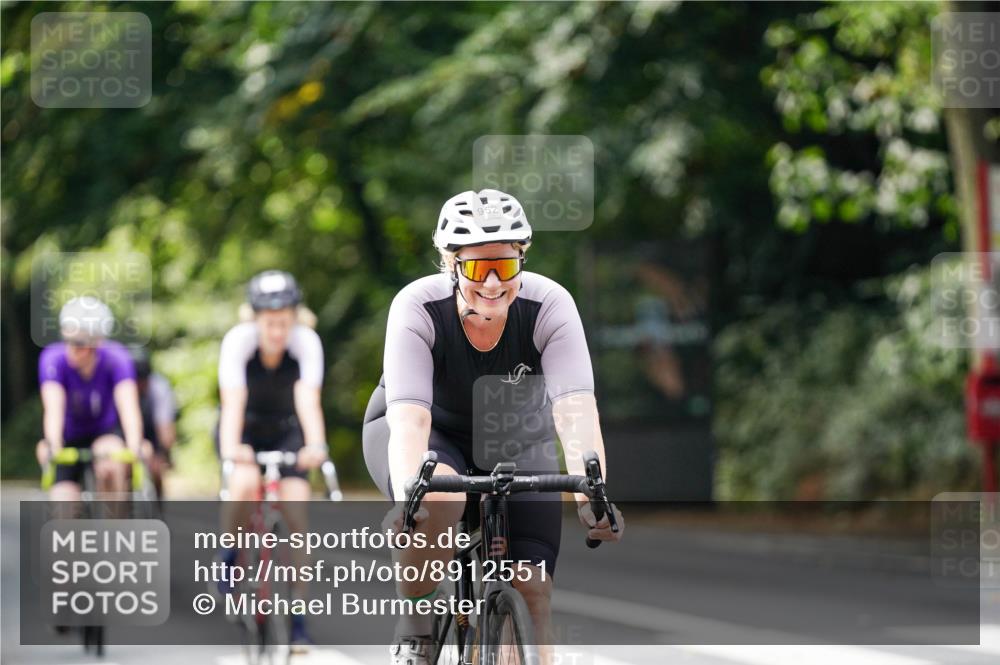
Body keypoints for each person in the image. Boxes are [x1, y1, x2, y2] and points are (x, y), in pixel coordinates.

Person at [362, 189, 624, 665]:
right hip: (428, 431)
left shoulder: (550, 306)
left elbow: (575, 410)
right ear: (450, 263)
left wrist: (592, 495)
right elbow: (411, 419)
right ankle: (416, 622)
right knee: (438, 496)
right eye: (476, 268)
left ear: (521, 260)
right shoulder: (417, 307)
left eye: (503, 267)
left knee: (533, 588)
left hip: (515, 437)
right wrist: (409, 497)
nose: (491, 283)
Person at [215, 270, 328, 649]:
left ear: (295, 316)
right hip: (244, 428)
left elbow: (308, 400)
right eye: (269, 322)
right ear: (256, 318)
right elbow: (233, 402)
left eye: (285, 321)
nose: (278, 330)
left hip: (285, 429)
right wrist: (233, 448)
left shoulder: (306, 341)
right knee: (245, 484)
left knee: (297, 517)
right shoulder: (238, 341)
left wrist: (316, 445)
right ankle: (230, 553)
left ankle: (297, 617)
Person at [36, 296, 145, 502]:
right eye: (67, 340)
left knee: (111, 465)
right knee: (63, 501)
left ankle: (113, 530)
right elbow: (53, 409)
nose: (72, 350)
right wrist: (52, 443)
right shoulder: (53, 358)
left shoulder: (117, 358)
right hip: (69, 436)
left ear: (96, 343)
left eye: (79, 344)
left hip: (104, 432)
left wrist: (135, 443)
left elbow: (129, 405)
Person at [129, 346, 177, 501]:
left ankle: (158, 505)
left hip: (152, 430)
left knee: (156, 469)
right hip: (124, 429)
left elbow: (165, 426)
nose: (139, 386)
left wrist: (163, 453)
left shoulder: (159, 387)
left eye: (143, 381)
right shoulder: (119, 385)